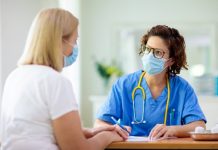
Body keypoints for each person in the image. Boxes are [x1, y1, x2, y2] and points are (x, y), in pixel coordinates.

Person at [0, 8, 126, 150]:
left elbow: (33, 130)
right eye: (75, 40)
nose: (75, 48)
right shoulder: (55, 82)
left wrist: (86, 131)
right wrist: (108, 136)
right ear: (60, 41)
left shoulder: (15, 77)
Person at [95, 25, 207, 140]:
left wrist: (172, 130)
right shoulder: (124, 85)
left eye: (158, 52)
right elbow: (100, 123)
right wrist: (113, 129)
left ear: (171, 60)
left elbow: (199, 126)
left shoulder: (182, 89)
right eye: (148, 49)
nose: (149, 56)